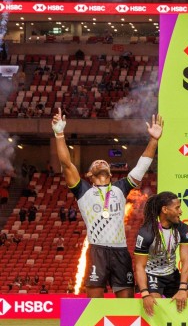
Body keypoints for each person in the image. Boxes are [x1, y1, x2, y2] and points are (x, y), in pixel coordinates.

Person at [52, 107, 161, 297]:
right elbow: (66, 164)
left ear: (111, 173)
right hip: (97, 251)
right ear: (89, 174)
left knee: (125, 303)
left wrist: (153, 140)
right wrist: (59, 134)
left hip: (120, 251)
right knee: (95, 303)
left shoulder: (120, 188)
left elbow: (142, 166)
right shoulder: (83, 191)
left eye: (104, 162)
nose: (101, 162)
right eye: (96, 163)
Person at [133, 191, 188, 316]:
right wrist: (145, 293)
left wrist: (183, 288)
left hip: (172, 275)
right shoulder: (147, 232)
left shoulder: (183, 229)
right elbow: (140, 266)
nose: (181, 212)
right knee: (156, 308)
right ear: (165, 209)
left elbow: (186, 261)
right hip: (152, 276)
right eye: (177, 208)